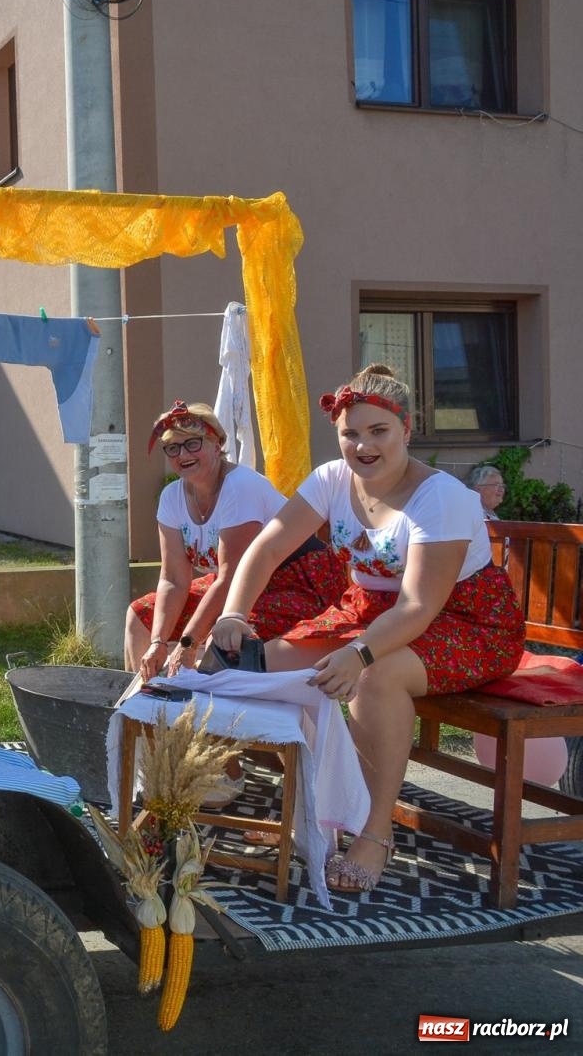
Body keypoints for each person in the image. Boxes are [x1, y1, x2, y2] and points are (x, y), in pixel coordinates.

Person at [210, 365, 525, 894]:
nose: (363, 445)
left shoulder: (442, 497)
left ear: (407, 429)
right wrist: (234, 614)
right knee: (253, 665)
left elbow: (421, 605)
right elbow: (265, 548)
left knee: (376, 678)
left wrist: (358, 653)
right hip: (373, 614)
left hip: (465, 623)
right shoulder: (332, 479)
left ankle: (374, 833)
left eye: (378, 431)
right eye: (351, 433)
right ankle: (314, 810)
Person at [126, 401, 347, 805]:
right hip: (242, 582)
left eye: (193, 443)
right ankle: (156, 741)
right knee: (139, 616)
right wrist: (160, 642)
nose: (183, 455)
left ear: (218, 444)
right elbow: (174, 578)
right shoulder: (172, 498)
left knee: (220, 644)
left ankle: (220, 763)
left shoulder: (240, 487)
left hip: (296, 580)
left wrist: (189, 643)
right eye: (172, 448)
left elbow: (231, 576)